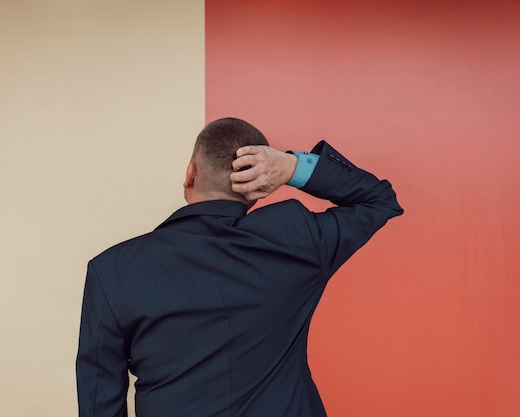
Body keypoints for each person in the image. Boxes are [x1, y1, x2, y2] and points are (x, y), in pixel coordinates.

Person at [76, 117, 403, 417]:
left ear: (190, 173)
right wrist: (290, 167)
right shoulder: (298, 240)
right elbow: (379, 200)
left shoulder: (112, 270)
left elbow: (99, 403)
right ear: (258, 189)